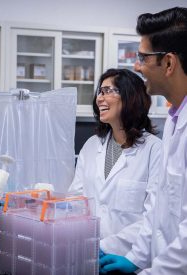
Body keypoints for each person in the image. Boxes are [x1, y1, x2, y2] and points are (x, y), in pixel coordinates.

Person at [99, 7, 187, 275]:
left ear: (169, 63)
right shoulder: (174, 120)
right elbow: (159, 208)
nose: (137, 66)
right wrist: (137, 258)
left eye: (143, 57)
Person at [69, 68, 161, 259]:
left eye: (107, 91)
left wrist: (109, 247)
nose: (99, 98)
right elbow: (76, 200)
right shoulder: (92, 146)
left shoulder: (154, 150)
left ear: (129, 96)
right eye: (99, 92)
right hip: (88, 255)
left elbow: (155, 215)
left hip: (132, 258)